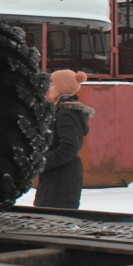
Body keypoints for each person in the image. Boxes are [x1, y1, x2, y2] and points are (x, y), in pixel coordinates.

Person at [34, 69, 94, 210]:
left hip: (61, 178)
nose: (49, 89)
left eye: (52, 85)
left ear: (60, 88)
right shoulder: (64, 112)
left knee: (51, 218)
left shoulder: (64, 114)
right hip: (60, 175)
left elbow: (70, 147)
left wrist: (43, 162)